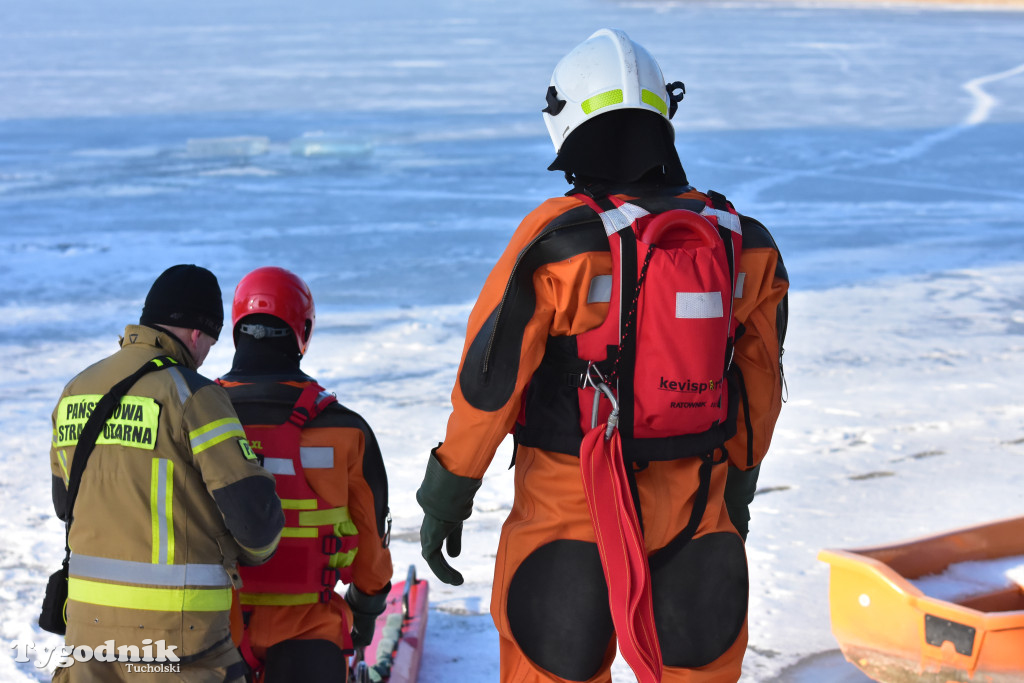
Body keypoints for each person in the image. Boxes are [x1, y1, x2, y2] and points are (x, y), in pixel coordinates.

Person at [415, 29, 788, 682]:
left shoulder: (558, 240)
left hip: (572, 508)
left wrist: (450, 489)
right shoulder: (743, 244)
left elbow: (490, 382)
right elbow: (760, 381)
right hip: (701, 506)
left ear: (565, 122)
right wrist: (741, 486)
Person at [49, 264, 285, 682]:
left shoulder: (75, 390)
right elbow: (254, 523)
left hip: (87, 632)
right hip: (178, 640)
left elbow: (64, 502)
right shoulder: (193, 394)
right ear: (198, 333)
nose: (206, 353)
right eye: (210, 342)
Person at [217, 266, 393, 682]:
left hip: (214, 632)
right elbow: (370, 546)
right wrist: (366, 612)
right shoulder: (347, 430)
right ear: (305, 330)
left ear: (236, 329)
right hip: (311, 636)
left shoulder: (196, 417)